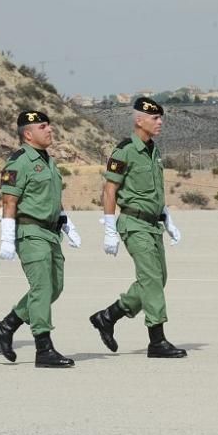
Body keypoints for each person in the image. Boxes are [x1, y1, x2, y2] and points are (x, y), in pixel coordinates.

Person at [90, 97, 186, 358]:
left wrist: (167, 219)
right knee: (152, 279)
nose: (160, 122)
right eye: (155, 118)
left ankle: (108, 316)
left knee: (157, 278)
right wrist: (109, 229)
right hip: (133, 224)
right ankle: (157, 340)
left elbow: (153, 191)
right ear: (139, 120)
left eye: (160, 118)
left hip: (152, 224)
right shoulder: (124, 151)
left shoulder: (153, 150)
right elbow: (110, 190)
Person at [0, 111, 81, 368]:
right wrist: (7, 238)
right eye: (43, 127)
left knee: (54, 287)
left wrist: (65, 223)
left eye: (49, 125)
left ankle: (5, 328)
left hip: (50, 232)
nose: (49, 130)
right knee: (41, 289)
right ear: (28, 134)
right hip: (30, 233)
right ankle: (43, 348)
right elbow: (9, 201)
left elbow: (50, 197)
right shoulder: (19, 162)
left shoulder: (47, 160)